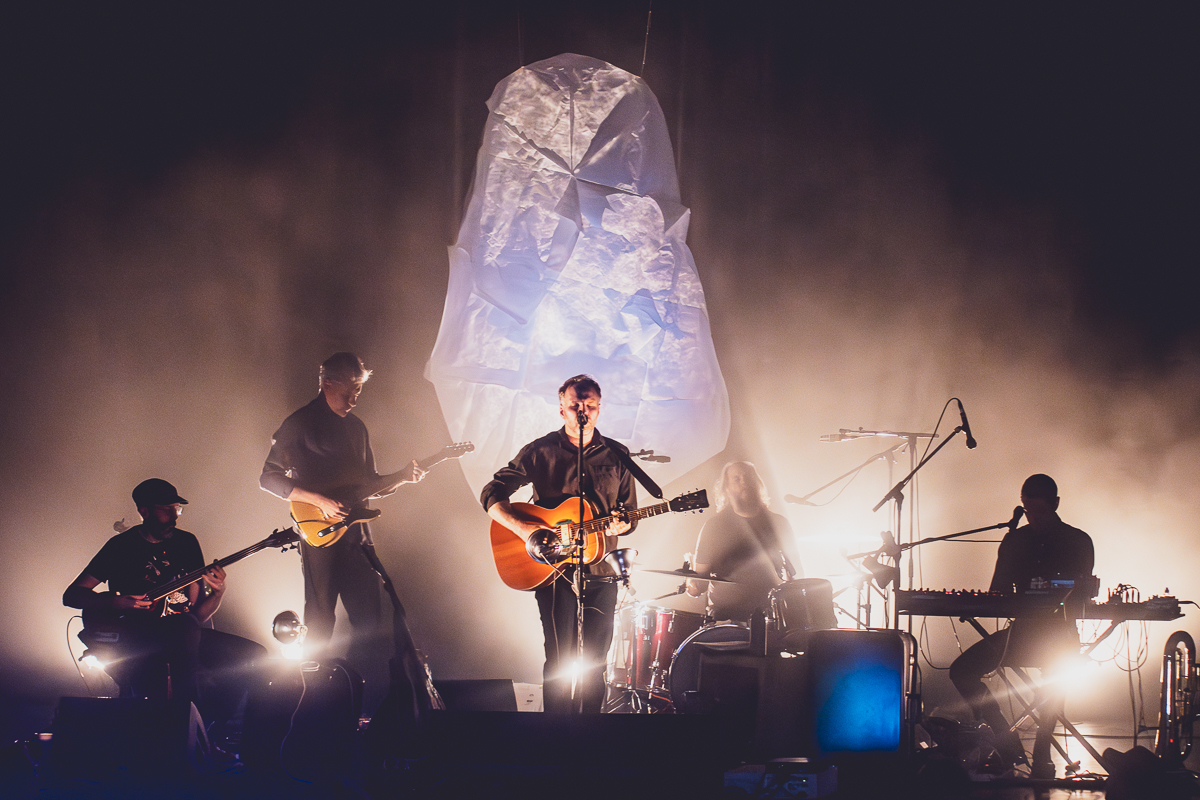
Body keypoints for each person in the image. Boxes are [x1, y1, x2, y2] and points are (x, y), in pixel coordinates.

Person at [64, 478, 266, 744]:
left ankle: (212, 730)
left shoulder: (187, 543)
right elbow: (72, 595)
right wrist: (117, 601)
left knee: (255, 656)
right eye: (166, 509)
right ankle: (183, 730)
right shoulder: (120, 547)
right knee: (183, 630)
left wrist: (218, 593)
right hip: (139, 638)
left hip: (185, 635)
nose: (174, 516)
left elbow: (198, 616)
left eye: (177, 509)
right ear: (144, 511)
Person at [481, 375, 636, 713]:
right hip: (553, 572)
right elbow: (491, 494)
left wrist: (625, 523)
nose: (584, 412)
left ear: (600, 408)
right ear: (562, 409)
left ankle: (590, 738)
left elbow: (630, 515)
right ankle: (552, 738)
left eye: (590, 406)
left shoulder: (618, 455)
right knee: (559, 658)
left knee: (597, 661)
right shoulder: (541, 451)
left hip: (601, 569)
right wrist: (527, 531)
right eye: (575, 406)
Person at [259, 352, 424, 663]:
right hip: (319, 534)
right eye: (349, 389)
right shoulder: (299, 423)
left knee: (370, 623)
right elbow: (268, 478)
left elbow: (370, 484)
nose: (354, 398)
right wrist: (319, 500)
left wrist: (403, 478)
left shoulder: (358, 428)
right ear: (327, 383)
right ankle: (316, 691)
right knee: (321, 618)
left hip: (357, 536)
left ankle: (353, 690)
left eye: (359, 390)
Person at [948, 473, 1095, 779]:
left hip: (1060, 635)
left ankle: (1042, 752)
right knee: (961, 670)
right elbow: (998, 591)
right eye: (1028, 510)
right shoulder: (1015, 539)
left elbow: (1080, 594)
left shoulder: (1078, 541)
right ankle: (1006, 738)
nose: (1034, 518)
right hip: (1022, 634)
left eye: (1039, 511)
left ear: (1055, 504)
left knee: (1058, 674)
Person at [686, 461, 801, 624]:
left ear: (757, 483)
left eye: (748, 477)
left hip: (771, 615)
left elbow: (796, 572)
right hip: (727, 617)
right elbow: (699, 584)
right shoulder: (714, 526)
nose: (744, 482)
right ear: (726, 489)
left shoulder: (778, 523)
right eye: (736, 479)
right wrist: (689, 579)